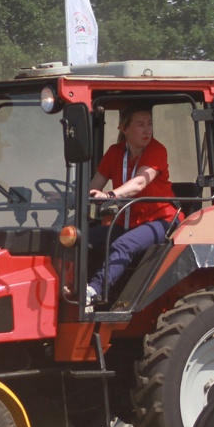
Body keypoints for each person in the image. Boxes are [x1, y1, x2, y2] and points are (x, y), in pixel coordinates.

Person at [85, 105, 177, 307]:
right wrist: (68, 197)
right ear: (124, 129)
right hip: (129, 221)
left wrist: (109, 195)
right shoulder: (115, 152)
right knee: (79, 237)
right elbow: (93, 187)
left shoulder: (156, 150)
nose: (147, 130)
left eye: (149, 124)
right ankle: (69, 286)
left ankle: (93, 291)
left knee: (124, 244)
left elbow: (139, 183)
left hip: (161, 220)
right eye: (141, 125)